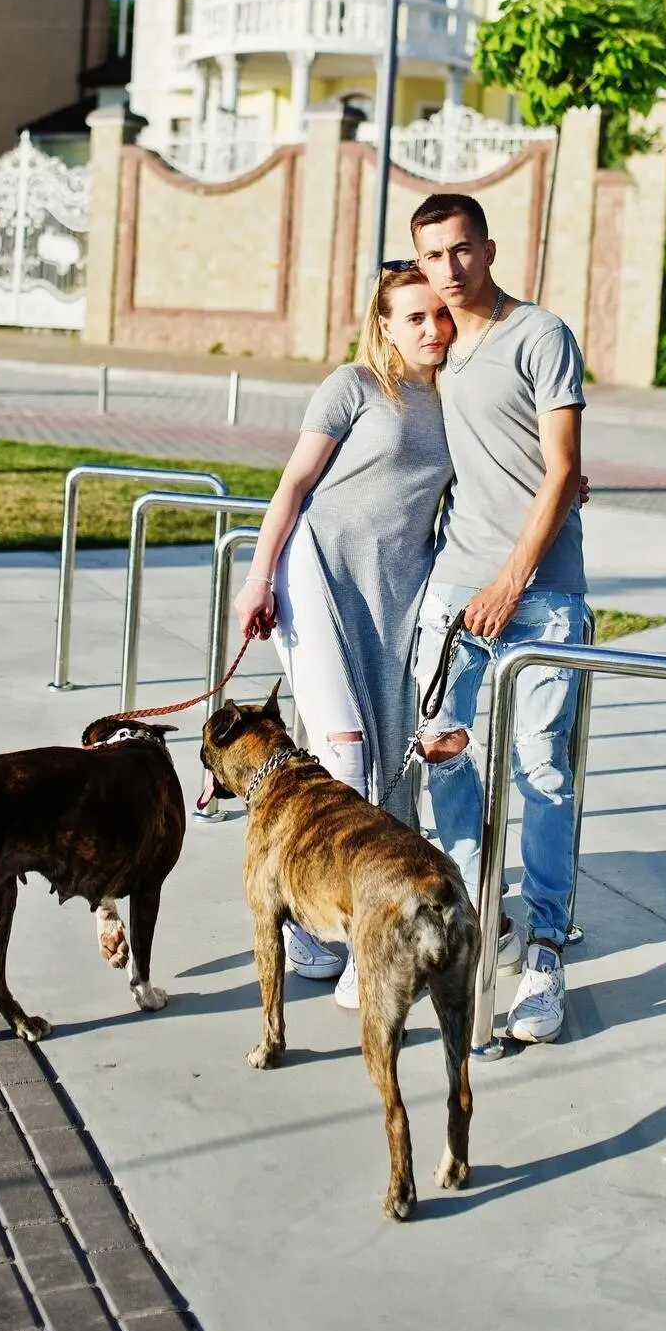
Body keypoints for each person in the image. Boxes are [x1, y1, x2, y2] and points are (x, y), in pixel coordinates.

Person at [233, 265, 454, 1009]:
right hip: (320, 576)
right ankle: (367, 944)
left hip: (395, 597)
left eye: (439, 317)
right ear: (384, 323)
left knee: (391, 768)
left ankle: (303, 927)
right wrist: (258, 577)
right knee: (347, 756)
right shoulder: (353, 386)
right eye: (414, 317)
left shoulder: (455, 396)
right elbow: (293, 486)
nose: (431, 330)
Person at [410, 190, 588, 1045]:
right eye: (432, 255)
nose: (449, 269)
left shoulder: (540, 335)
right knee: (439, 748)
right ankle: (483, 915)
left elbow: (561, 470)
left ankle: (546, 942)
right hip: (454, 591)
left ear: (487, 247)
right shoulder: (437, 345)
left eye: (460, 250)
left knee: (542, 770)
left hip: (540, 595)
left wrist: (510, 581)